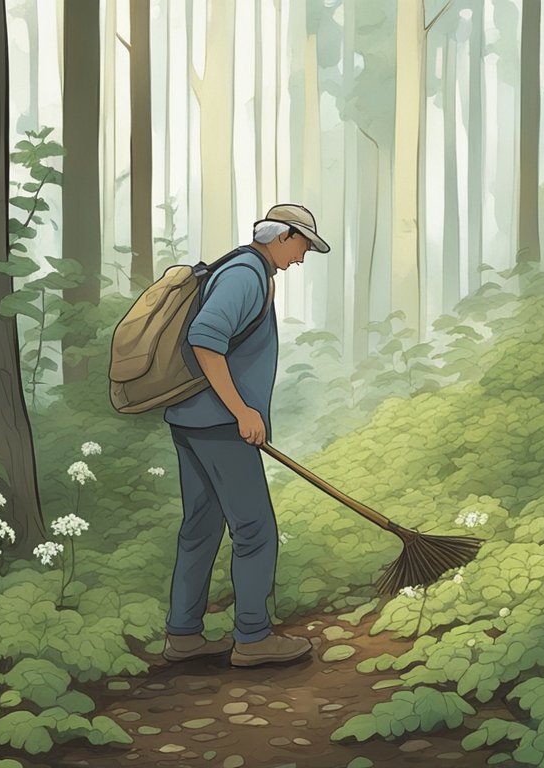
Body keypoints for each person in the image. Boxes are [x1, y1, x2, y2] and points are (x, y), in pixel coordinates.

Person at [161, 204, 331, 667]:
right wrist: (242, 412)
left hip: (192, 419)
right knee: (254, 530)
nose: (301, 258)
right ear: (283, 236)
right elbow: (204, 337)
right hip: (220, 426)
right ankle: (253, 638)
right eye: (302, 246)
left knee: (200, 528)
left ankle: (183, 634)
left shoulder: (244, 269)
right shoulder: (244, 275)